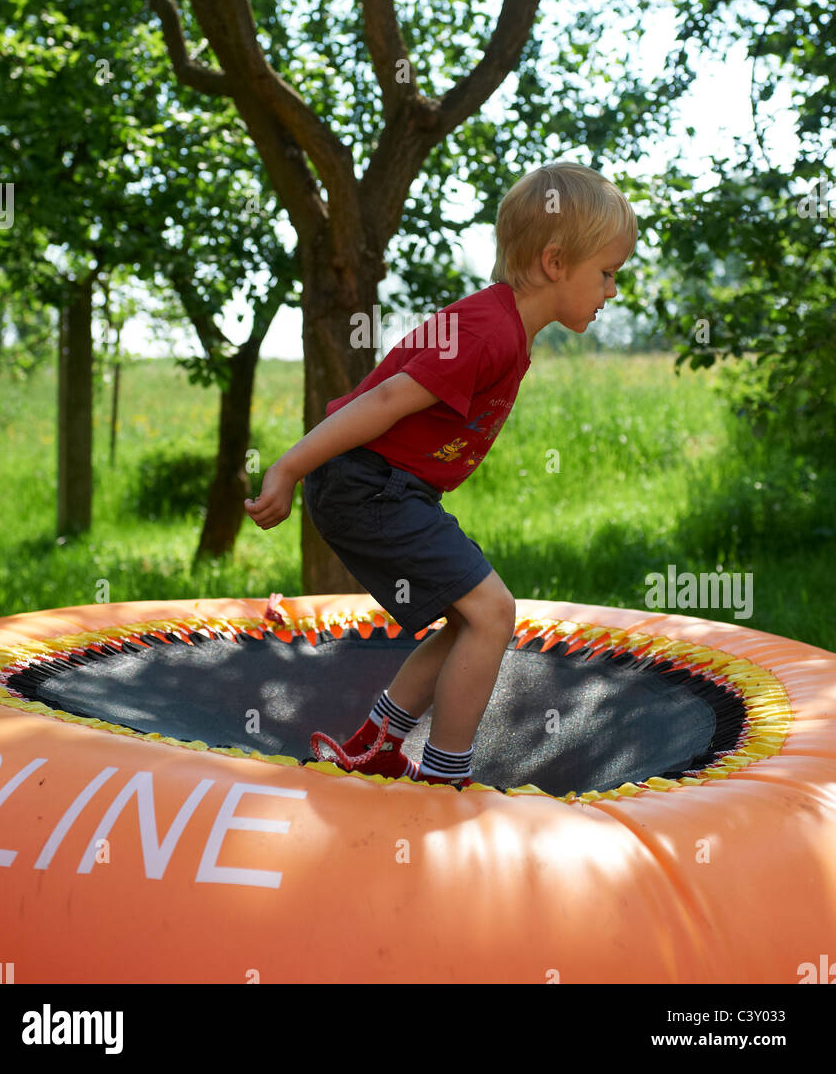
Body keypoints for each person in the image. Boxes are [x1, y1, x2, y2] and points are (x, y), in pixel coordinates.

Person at [245, 162, 637, 787]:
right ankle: (444, 775)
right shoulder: (488, 332)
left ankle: (377, 742)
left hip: (390, 488)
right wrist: (289, 468)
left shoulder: (505, 326)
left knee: (468, 618)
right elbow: (382, 403)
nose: (613, 289)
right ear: (556, 262)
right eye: (608, 273)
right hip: (365, 485)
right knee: (492, 613)